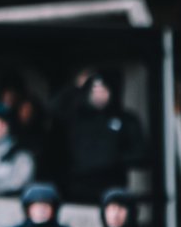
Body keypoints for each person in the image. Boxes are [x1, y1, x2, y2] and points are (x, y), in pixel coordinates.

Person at [57, 73, 147, 204]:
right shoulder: (76, 117)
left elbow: (141, 154)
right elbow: (53, 109)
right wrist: (75, 86)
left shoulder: (125, 119)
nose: (99, 95)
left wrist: (113, 159)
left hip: (112, 187)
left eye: (103, 90)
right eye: (94, 90)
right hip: (79, 189)